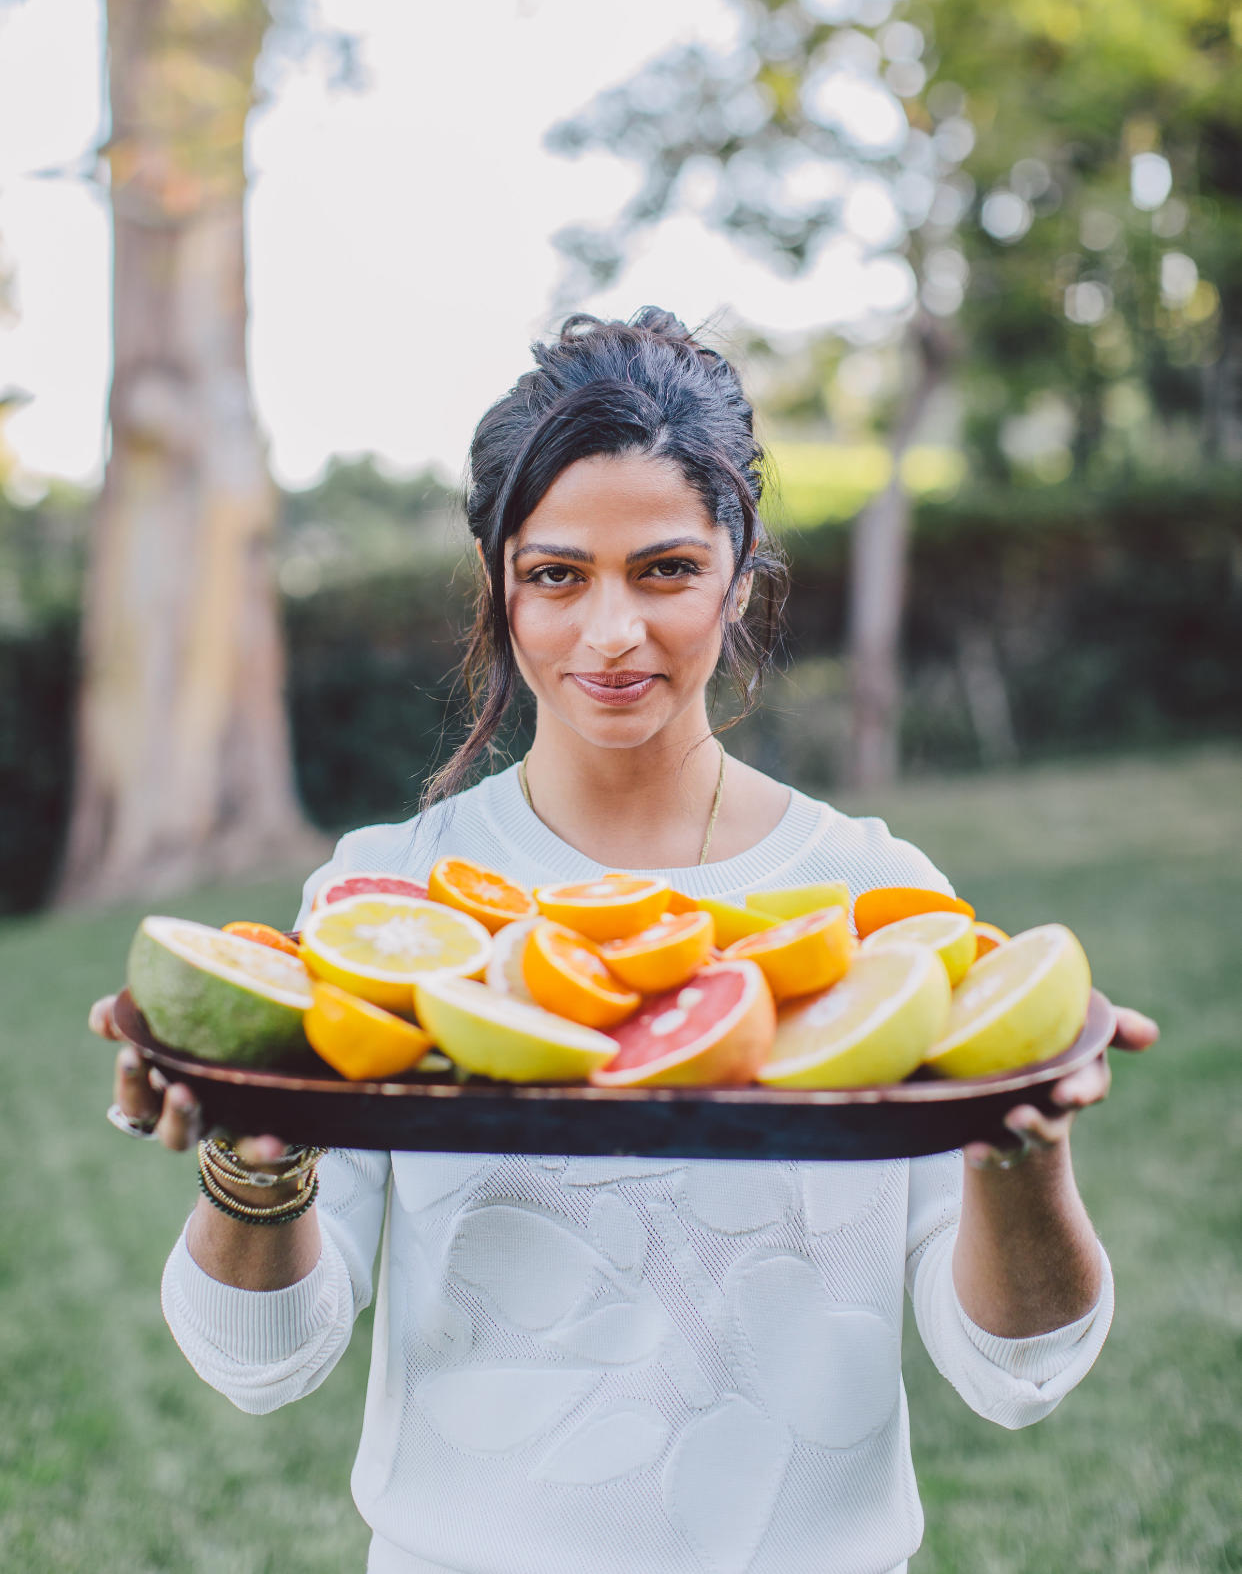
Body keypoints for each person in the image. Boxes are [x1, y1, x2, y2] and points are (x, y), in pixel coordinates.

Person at [91, 309, 1157, 1574]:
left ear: (740, 568)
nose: (610, 634)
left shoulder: (873, 903)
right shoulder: (392, 902)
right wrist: (252, 1161)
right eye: (557, 575)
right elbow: (260, 1362)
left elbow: (1017, 1373)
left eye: (664, 569)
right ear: (500, 581)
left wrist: (1019, 1144)